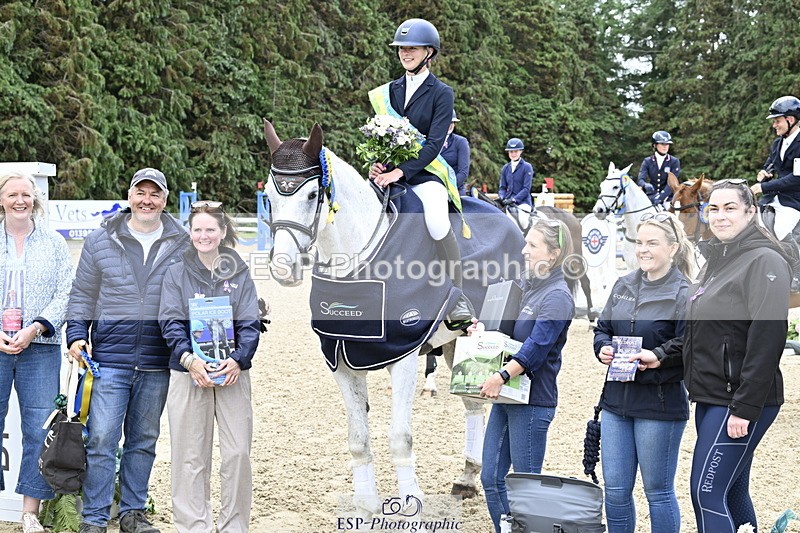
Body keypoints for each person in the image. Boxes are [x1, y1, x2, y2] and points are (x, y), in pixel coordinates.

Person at [636, 180, 794, 533]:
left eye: (730, 208)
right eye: (714, 209)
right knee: (732, 490)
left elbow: (767, 339)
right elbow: (702, 332)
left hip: (737, 399)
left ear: (750, 212)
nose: (720, 216)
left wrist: (745, 407)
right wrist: (661, 355)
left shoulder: (765, 260)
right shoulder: (717, 261)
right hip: (711, 395)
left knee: (705, 493)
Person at [66, 168, 190, 533]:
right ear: (130, 196)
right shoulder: (100, 240)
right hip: (108, 360)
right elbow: (82, 294)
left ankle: (133, 513)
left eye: (155, 194)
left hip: (158, 359)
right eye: (141, 192)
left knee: (144, 441)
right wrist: (76, 334)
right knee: (101, 439)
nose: (147, 200)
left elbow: (198, 294)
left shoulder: (183, 242)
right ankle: (94, 518)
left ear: (165, 199)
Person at [159, 201, 261, 532]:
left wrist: (239, 358)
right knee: (190, 456)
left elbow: (250, 320)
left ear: (223, 231)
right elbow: (170, 320)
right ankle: (193, 526)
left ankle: (234, 525)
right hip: (189, 372)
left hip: (232, 372)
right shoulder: (176, 272)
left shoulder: (239, 271)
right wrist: (189, 359)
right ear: (190, 232)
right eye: (198, 229)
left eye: (210, 229)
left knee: (238, 453)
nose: (204, 236)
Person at [468, 218, 575, 533]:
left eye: (532, 245)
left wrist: (500, 376)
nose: (524, 250)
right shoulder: (527, 288)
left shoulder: (557, 296)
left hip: (532, 400)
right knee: (491, 478)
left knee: (526, 487)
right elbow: (507, 335)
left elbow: (536, 348)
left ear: (553, 253)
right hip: (508, 395)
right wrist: (482, 330)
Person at [368, 18, 474, 330]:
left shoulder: (442, 93)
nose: (405, 53)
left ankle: (457, 296)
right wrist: (376, 164)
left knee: (438, 221)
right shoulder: (388, 91)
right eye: (401, 48)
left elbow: (433, 144)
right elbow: (381, 138)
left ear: (429, 52)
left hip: (426, 175)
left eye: (412, 48)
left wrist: (401, 172)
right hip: (388, 173)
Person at [592, 211, 694, 533]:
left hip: (658, 404)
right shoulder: (623, 284)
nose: (643, 250)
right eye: (639, 242)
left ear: (673, 248)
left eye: (652, 243)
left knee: (658, 492)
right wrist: (602, 347)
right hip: (616, 402)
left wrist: (659, 355)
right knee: (615, 491)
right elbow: (603, 328)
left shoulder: (685, 292)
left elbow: (690, 342)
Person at [0, 173, 73, 533]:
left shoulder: (54, 243)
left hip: (40, 347)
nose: (20, 201)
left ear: (35, 199)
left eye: (26, 195)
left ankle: (30, 511)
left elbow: (66, 291)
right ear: (1, 200)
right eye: (12, 194)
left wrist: (36, 328)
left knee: (38, 428)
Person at [751, 96, 800, 242]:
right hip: (773, 198)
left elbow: (796, 178)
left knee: (778, 234)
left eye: (777, 121)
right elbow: (770, 166)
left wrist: (763, 187)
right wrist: (765, 174)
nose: (774, 125)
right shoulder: (777, 143)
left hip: (795, 201)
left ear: (790, 120)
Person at [637, 131, 681, 207]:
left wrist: (660, 198)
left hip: (668, 198)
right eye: (662, 144)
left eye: (667, 144)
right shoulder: (647, 161)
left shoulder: (674, 161)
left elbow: (672, 183)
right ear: (655, 145)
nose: (665, 146)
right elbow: (640, 179)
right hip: (651, 196)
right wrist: (645, 184)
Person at [441, 109, 471, 196]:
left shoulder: (461, 142)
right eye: (447, 122)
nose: (450, 125)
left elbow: (463, 173)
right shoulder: (431, 140)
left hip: (454, 189)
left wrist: (448, 187)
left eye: (452, 122)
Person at [498, 138, 534, 209]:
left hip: (523, 202)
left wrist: (514, 200)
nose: (513, 154)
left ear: (521, 151)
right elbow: (502, 187)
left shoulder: (527, 167)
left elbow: (526, 189)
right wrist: (502, 197)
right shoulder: (505, 168)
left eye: (516, 151)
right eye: (511, 152)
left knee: (522, 215)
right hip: (507, 201)